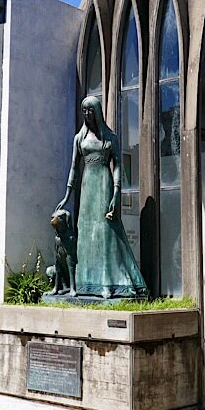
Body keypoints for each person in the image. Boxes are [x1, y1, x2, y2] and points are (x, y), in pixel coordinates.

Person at [56, 96, 147, 299]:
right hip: (87, 186)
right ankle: (84, 282)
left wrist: (116, 193)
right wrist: (67, 194)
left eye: (90, 110)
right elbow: (73, 169)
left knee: (106, 232)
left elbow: (117, 168)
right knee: (86, 230)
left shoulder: (111, 138)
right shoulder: (79, 138)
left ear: (97, 112)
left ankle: (109, 282)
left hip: (104, 183)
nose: (87, 114)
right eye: (84, 111)